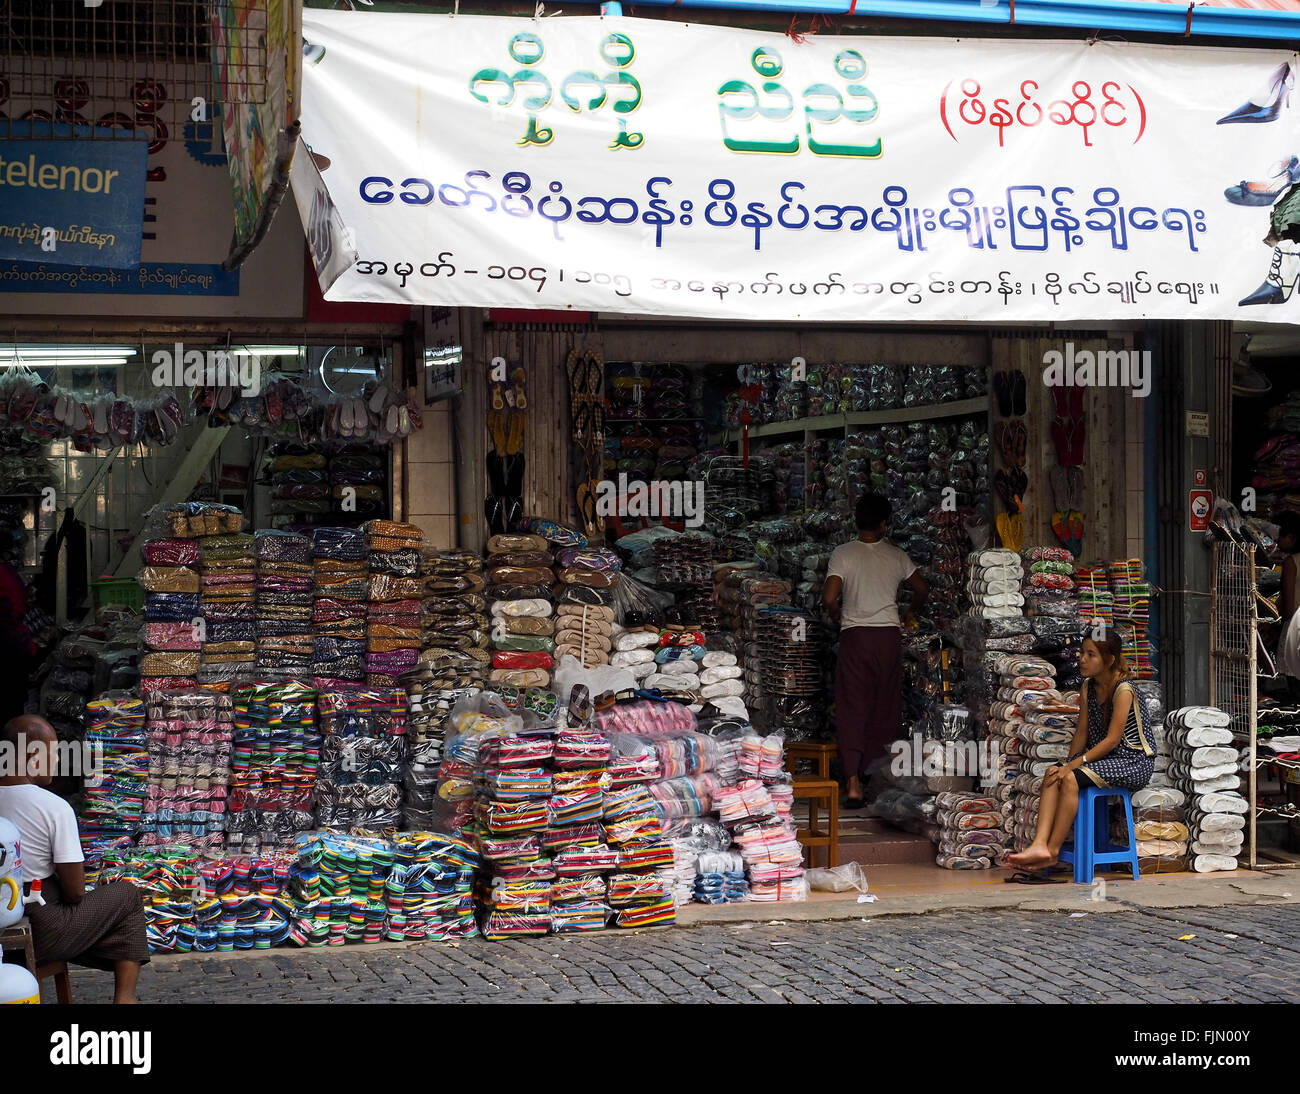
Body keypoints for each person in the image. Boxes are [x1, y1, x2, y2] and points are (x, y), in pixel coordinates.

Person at [0, 715, 149, 1003]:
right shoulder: (53, 807)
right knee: (127, 898)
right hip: (41, 923)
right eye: (54, 753)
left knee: (113, 919)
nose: (56, 761)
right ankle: (125, 999)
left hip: (10, 917)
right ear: (33, 756)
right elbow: (76, 891)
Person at [1005, 629, 1155, 876]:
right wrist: (1067, 762)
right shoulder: (1088, 686)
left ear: (1109, 660)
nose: (1082, 659)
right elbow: (1082, 732)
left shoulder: (1123, 690)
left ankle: (1052, 851)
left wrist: (1074, 767)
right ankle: (1040, 844)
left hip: (1132, 762)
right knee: (1054, 773)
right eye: (1082, 653)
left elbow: (1112, 740)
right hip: (1106, 760)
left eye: (1091, 655)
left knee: (1071, 777)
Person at [823, 493, 929, 807]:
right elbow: (922, 589)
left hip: (855, 637)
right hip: (887, 638)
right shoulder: (896, 556)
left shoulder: (842, 554)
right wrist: (910, 613)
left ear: (857, 521)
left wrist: (837, 615)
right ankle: (880, 781)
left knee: (852, 706)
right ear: (884, 524)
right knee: (885, 707)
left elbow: (829, 597)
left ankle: (853, 783)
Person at [1273, 511, 1300, 684]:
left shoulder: (1291, 562)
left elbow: (1289, 608)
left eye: (1279, 538)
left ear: (1291, 538)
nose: (1276, 542)